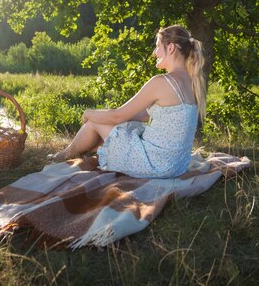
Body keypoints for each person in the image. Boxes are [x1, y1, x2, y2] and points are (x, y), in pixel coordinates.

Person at [48, 25, 206, 178]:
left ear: (170, 48)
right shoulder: (192, 82)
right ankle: (78, 152)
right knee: (122, 126)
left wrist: (89, 113)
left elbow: (117, 116)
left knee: (94, 123)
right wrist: (114, 119)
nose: (154, 53)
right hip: (176, 166)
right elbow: (145, 116)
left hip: (154, 165)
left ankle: (64, 155)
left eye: (157, 46)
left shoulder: (162, 81)